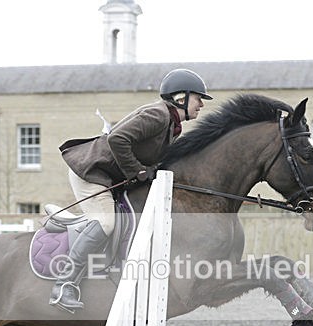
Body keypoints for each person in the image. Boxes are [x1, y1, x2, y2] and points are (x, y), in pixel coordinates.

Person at [49, 68, 212, 312]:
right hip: (91, 173)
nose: (201, 105)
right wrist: (137, 171)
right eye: (198, 98)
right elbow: (117, 139)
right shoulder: (157, 115)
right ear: (181, 97)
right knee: (106, 222)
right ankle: (65, 284)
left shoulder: (170, 123)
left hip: (110, 175)